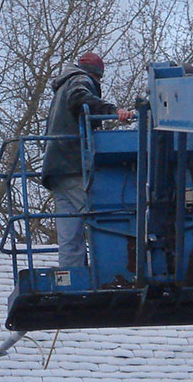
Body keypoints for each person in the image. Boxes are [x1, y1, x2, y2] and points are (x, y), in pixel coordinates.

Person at [40, 52, 134, 269]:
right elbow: (80, 97)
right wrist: (112, 111)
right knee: (108, 218)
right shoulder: (80, 80)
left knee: (69, 235)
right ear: (97, 75)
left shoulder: (61, 88)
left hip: (56, 169)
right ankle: (117, 272)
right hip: (73, 164)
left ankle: (73, 275)